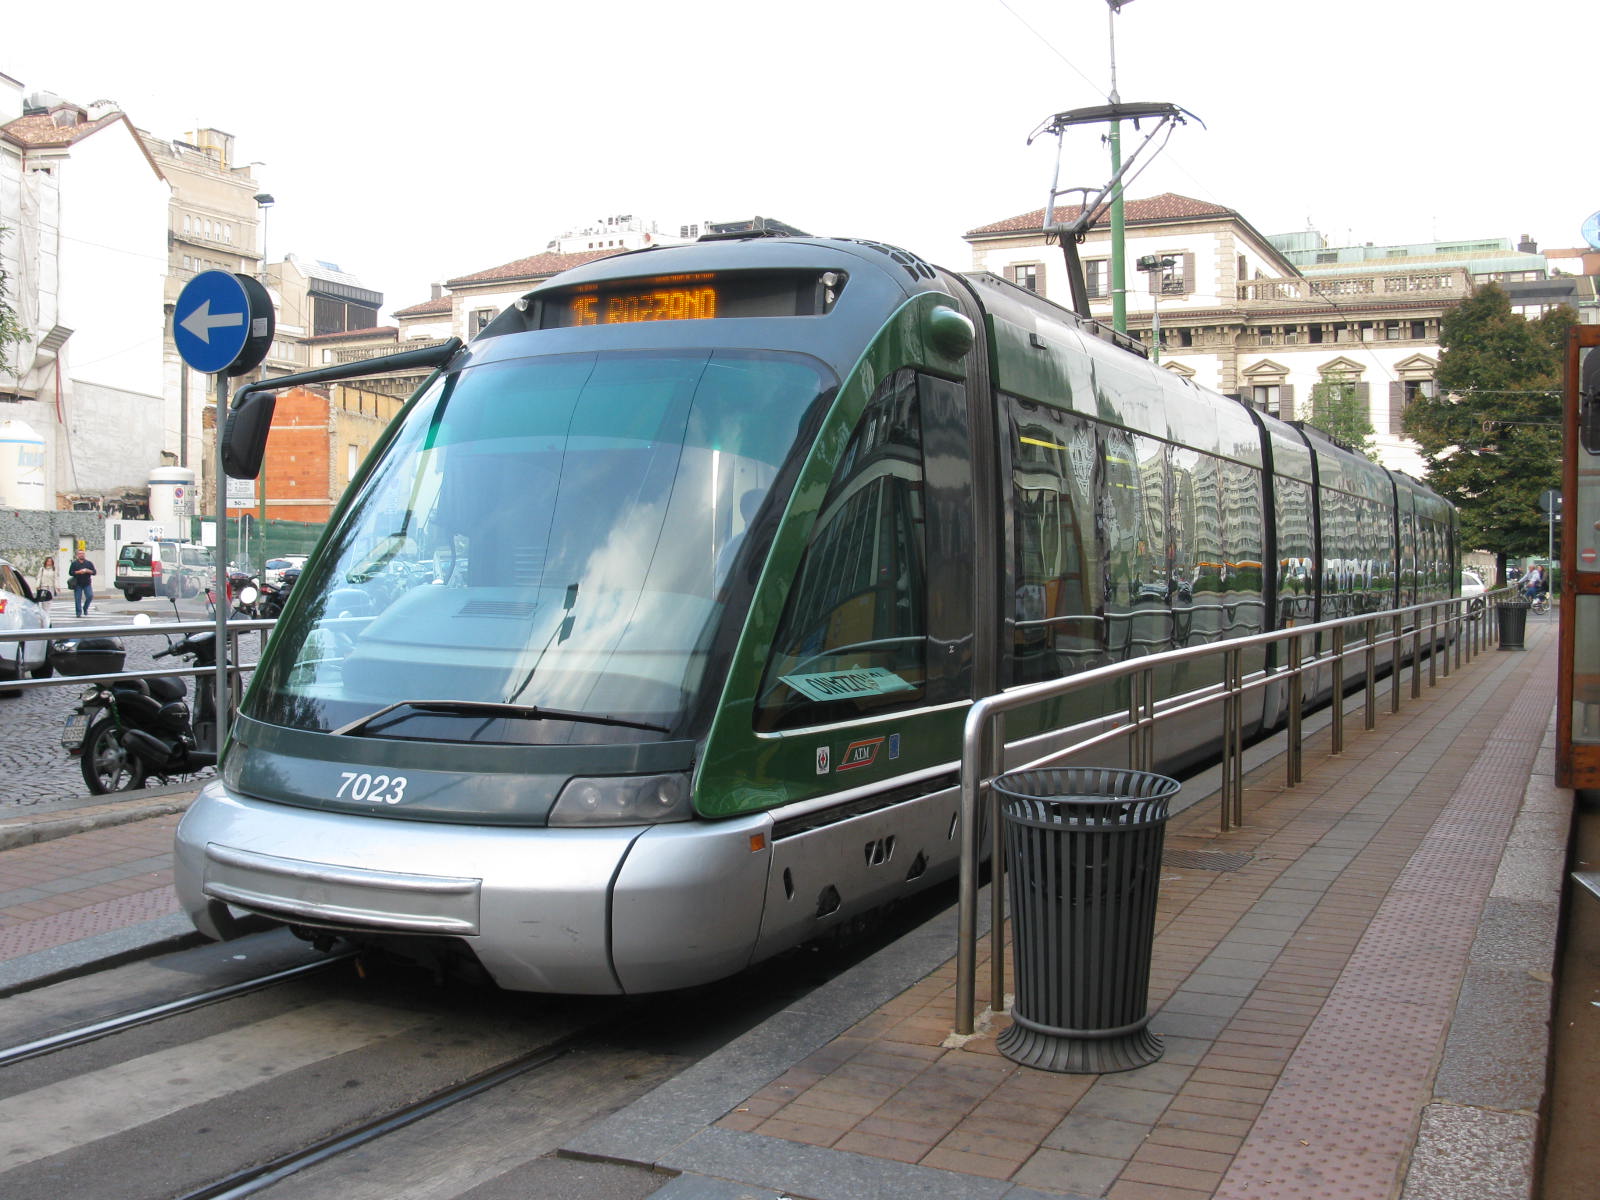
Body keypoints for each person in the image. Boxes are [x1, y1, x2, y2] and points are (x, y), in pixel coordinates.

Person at [67, 549, 96, 617]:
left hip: (87, 583)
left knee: (90, 596)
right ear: (77, 555)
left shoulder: (89, 563)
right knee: (78, 598)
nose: (81, 555)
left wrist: (88, 571)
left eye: (83, 553)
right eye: (80, 554)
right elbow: (71, 573)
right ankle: (78, 612)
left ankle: (85, 608)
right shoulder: (74, 563)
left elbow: (94, 572)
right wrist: (78, 572)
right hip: (77, 583)